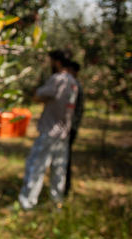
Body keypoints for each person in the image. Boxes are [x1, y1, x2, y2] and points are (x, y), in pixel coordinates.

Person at [18, 50, 79, 210]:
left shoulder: (57, 79)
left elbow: (38, 95)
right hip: (63, 133)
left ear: (57, 62)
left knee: (36, 167)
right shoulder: (73, 82)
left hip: (49, 131)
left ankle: (27, 203)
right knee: (59, 170)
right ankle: (56, 203)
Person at [64, 60, 84, 196]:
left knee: (65, 158)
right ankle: (64, 187)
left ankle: (65, 188)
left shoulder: (75, 87)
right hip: (71, 127)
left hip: (70, 128)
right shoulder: (76, 86)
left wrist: (71, 127)